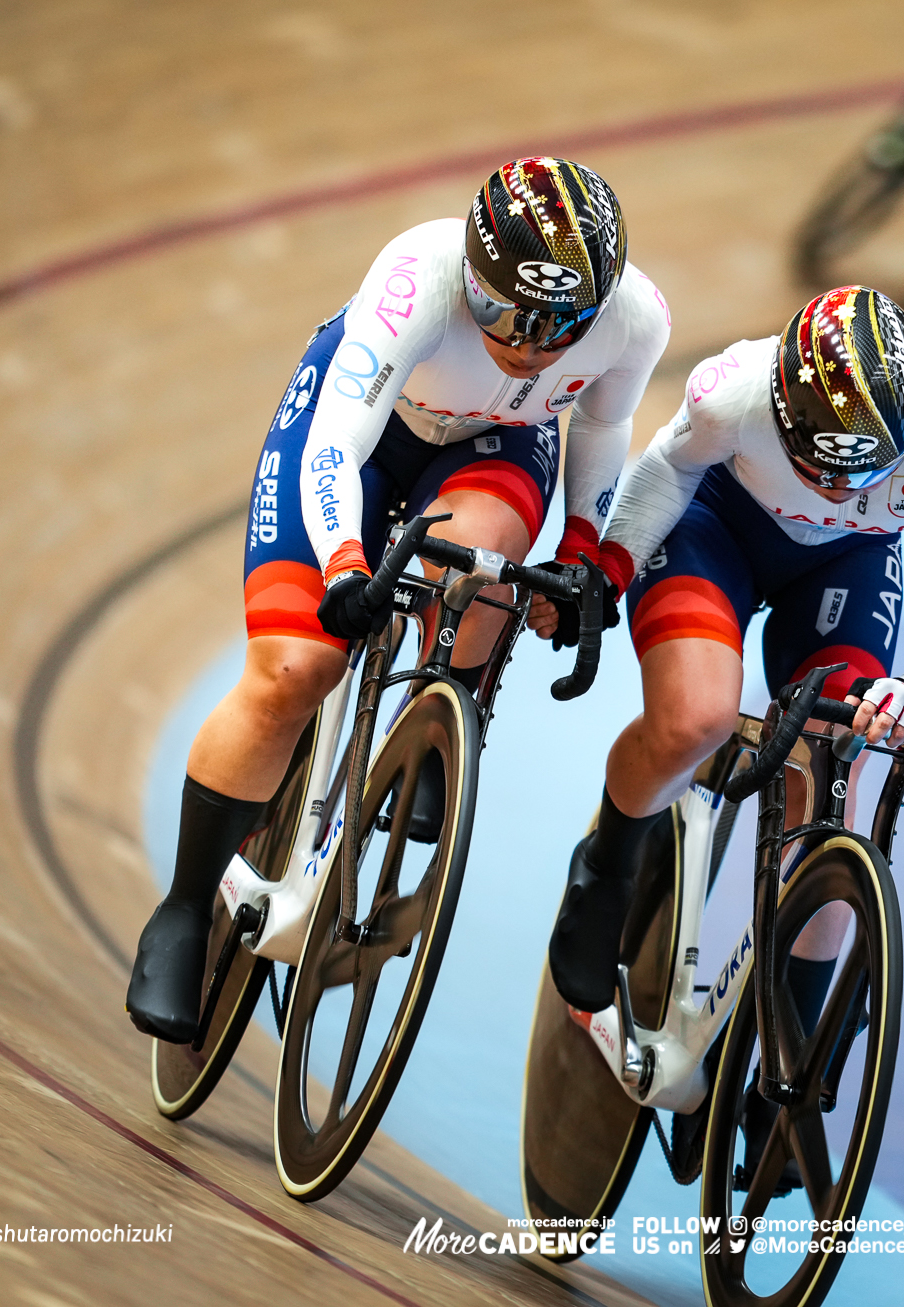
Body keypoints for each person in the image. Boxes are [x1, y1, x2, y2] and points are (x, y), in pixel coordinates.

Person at [125, 157, 671, 1042]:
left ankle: (431, 720)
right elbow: (338, 439)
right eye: (502, 316)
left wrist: (582, 551)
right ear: (472, 276)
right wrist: (344, 564)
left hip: (496, 443)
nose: (527, 347)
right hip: (367, 432)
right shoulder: (419, 277)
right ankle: (186, 908)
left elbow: (603, 428)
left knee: (481, 561)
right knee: (296, 667)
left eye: (554, 330)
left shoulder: (635, 319)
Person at [534, 284, 904, 1029]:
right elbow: (666, 470)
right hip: (718, 530)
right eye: (816, 466)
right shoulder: (730, 391)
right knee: (695, 719)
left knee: (833, 765)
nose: (833, 487)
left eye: (857, 472)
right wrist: (612, 569)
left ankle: (783, 1065)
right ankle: (608, 861)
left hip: (846, 563)